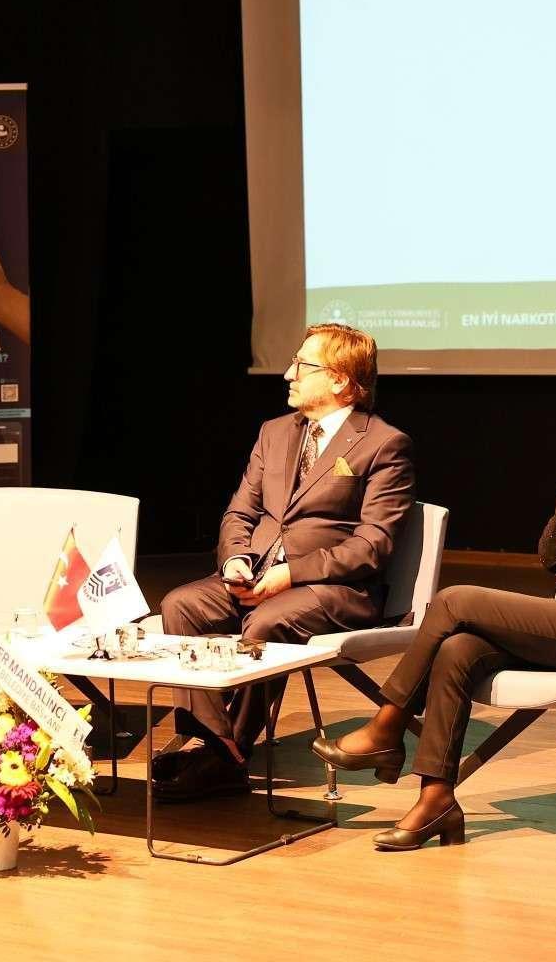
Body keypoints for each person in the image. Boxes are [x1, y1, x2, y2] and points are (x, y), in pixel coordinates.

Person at [313, 361, 556, 850]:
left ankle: (387, 726)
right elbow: (554, 556)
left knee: (455, 601)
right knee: (459, 649)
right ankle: (436, 799)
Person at [154, 323, 416, 801]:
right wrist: (235, 559)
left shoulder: (383, 443)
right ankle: (217, 747)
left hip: (334, 590)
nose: (288, 374)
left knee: (267, 622)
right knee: (180, 605)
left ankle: (225, 756)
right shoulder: (274, 433)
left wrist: (291, 574)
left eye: (302, 365)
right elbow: (239, 512)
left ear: (339, 379)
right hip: (257, 574)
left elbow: (372, 545)